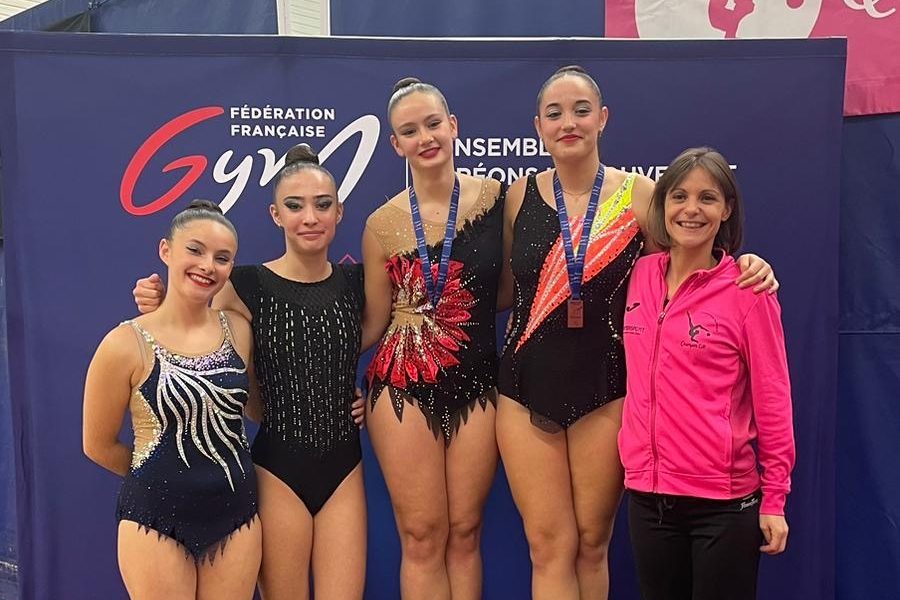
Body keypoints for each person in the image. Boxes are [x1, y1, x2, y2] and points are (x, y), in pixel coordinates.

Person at [496, 66, 778, 600]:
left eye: (581, 110)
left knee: (591, 542)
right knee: (547, 546)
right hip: (524, 385)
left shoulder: (639, 194)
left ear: (602, 118)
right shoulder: (517, 196)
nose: (568, 122)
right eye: (555, 113)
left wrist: (747, 264)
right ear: (538, 127)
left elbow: (687, 263)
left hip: (607, 389)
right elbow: (505, 288)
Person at [132, 145, 367, 600]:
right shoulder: (245, 284)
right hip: (278, 466)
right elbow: (196, 335)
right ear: (275, 214)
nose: (310, 217)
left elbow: (401, 335)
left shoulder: (356, 284)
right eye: (294, 206)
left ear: (339, 211)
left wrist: (368, 394)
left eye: (322, 205)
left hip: (345, 467)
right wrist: (158, 305)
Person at [619, 146, 794, 600]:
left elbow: (773, 399)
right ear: (663, 206)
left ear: (726, 209)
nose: (691, 210)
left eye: (707, 198)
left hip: (723, 505)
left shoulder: (749, 290)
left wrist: (775, 497)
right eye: (679, 196)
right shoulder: (638, 276)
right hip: (649, 500)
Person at [362, 77, 505, 600]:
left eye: (432, 124)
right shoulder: (381, 224)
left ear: (453, 126)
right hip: (402, 384)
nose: (424, 137)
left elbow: (516, 286)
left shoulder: (497, 200)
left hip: (479, 381)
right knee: (422, 536)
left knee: (465, 532)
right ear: (395, 143)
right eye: (409, 131)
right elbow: (372, 322)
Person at [83, 199, 261, 600]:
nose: (207, 265)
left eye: (222, 258)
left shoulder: (239, 329)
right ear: (166, 250)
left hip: (236, 515)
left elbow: (253, 407)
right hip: (155, 520)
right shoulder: (123, 344)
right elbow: (97, 445)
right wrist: (160, 481)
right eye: (195, 250)